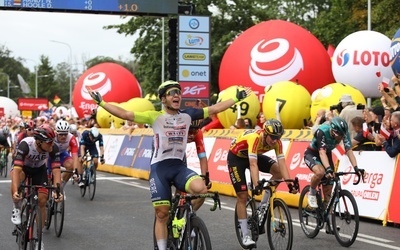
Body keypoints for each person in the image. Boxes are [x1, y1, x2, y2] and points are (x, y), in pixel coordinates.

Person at [87, 80, 251, 250]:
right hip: (160, 170)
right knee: (162, 213)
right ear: (163, 99)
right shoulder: (154, 116)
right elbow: (126, 114)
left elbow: (214, 109)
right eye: (172, 93)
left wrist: (236, 98)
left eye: (178, 93)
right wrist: (101, 102)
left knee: (202, 189)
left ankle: (185, 220)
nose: (176, 95)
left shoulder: (188, 115)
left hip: (179, 167)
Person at [227, 119, 297, 247]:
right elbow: (253, 164)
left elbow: (282, 164)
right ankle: (246, 235)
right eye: (273, 137)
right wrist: (257, 184)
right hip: (236, 158)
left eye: (278, 137)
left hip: (252, 155)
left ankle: (263, 204)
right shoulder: (256, 138)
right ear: (265, 133)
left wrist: (289, 184)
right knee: (242, 195)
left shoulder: (277, 143)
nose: (275, 141)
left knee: (278, 173)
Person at [303, 117, 364, 232]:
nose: (340, 138)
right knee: (321, 172)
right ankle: (311, 192)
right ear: (333, 131)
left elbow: (349, 150)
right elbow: (321, 153)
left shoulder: (343, 133)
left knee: (329, 190)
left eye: (342, 136)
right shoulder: (322, 131)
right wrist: (328, 169)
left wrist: (356, 167)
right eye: (338, 136)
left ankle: (329, 223)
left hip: (327, 154)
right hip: (313, 153)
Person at [10, 124, 63, 250]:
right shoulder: (25, 145)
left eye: (52, 141)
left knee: (42, 200)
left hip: (39, 170)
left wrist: (57, 190)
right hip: (23, 168)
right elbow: (17, 170)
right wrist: (16, 190)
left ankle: (39, 237)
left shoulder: (53, 148)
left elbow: (56, 170)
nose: (52, 144)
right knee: (17, 180)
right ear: (39, 142)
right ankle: (16, 208)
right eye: (49, 142)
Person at [52, 120, 80, 188]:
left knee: (71, 165)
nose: (63, 136)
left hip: (62, 154)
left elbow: (75, 156)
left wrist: (75, 171)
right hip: (50, 155)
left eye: (65, 134)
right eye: (61, 134)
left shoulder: (71, 138)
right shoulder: (52, 136)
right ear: (56, 133)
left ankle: (61, 186)